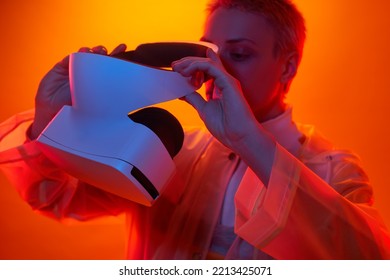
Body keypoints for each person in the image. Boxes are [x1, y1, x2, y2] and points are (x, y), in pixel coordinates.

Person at [0, 0, 389, 259]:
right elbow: (58, 198)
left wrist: (250, 142)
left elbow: (370, 259)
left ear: (287, 67)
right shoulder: (168, 149)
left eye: (237, 55)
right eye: (209, 53)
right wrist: (52, 119)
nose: (215, 70)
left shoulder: (332, 171)